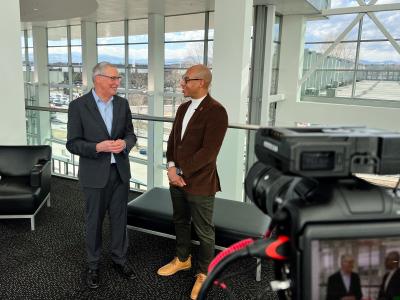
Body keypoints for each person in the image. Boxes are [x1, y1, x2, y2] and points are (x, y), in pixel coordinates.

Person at [157, 64, 228, 300]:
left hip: (199, 182)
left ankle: (204, 273)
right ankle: (183, 259)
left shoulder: (217, 111)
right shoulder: (183, 107)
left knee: (204, 231)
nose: (182, 83)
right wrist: (171, 167)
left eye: (186, 79)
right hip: (176, 177)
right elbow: (173, 142)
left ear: (202, 82)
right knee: (180, 220)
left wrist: (181, 172)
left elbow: (208, 152)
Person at [66, 62, 137, 289]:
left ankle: (119, 259)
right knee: (94, 221)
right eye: (113, 78)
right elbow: (73, 143)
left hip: (120, 173)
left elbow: (130, 134)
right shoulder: (78, 106)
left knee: (119, 219)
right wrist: (98, 147)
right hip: (94, 174)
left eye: (118, 79)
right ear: (98, 79)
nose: (118, 83)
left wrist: (124, 144)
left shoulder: (123, 104)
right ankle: (93, 265)